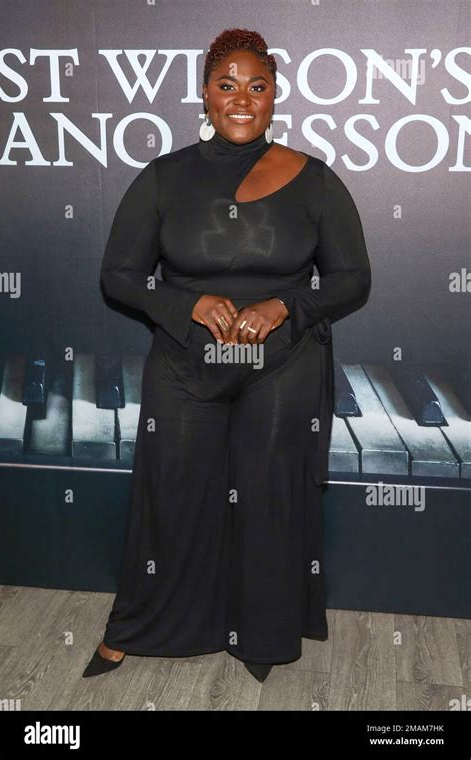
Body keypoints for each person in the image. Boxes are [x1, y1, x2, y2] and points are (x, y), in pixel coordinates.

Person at [82, 28, 371, 683]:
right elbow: (118, 277)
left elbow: (353, 278)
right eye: (227, 85)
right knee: (172, 494)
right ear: (205, 96)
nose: (243, 99)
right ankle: (138, 627)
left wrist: (286, 308)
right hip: (186, 365)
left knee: (267, 497)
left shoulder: (314, 179)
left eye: (257, 87)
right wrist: (185, 305)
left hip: (284, 365)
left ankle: (259, 637)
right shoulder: (163, 178)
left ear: (275, 97)